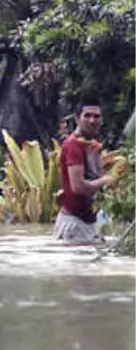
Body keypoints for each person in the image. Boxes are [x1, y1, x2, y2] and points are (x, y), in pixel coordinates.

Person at [55, 99, 117, 245]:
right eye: (87, 115)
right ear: (77, 119)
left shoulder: (92, 146)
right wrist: (107, 180)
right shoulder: (73, 145)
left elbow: (95, 180)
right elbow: (78, 187)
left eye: (96, 116)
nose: (92, 120)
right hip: (75, 224)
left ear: (102, 120)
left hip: (90, 222)